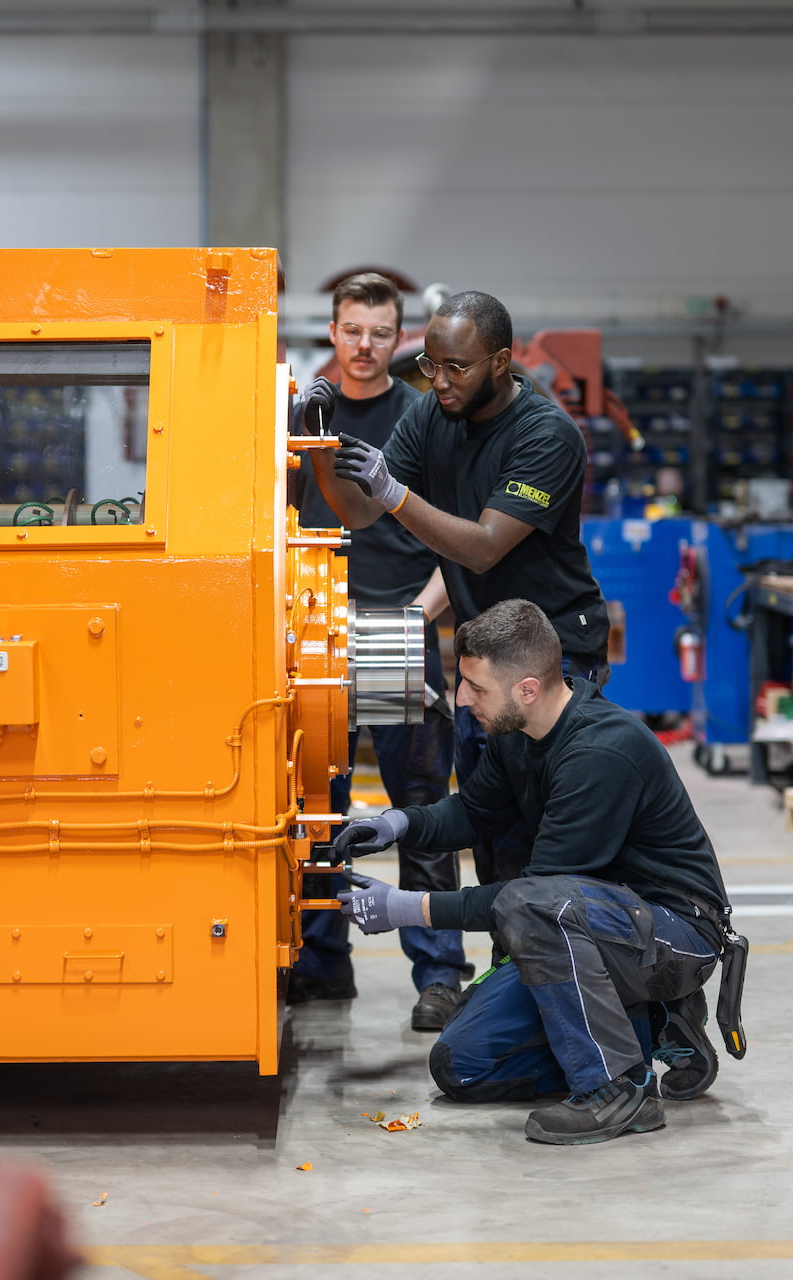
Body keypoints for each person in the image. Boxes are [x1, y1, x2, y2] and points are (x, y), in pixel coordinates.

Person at [331, 599, 737, 1146]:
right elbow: (475, 812)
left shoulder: (602, 751)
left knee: (533, 906)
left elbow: (529, 900)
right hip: (597, 927)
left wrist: (408, 908)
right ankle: (657, 1025)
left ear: (526, 688)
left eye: (475, 686)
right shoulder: (516, 732)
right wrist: (398, 824)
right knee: (462, 1066)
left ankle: (619, 1088)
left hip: (675, 932)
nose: (460, 698)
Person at [311, 289, 611, 885]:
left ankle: (551, 966)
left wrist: (393, 493)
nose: (440, 381)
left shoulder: (545, 435)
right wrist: (319, 442)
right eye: (431, 366)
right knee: (489, 826)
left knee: (548, 830)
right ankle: (506, 967)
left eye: (456, 367)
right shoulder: (431, 414)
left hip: (552, 653)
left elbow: (482, 546)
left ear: (500, 362)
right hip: (481, 653)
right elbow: (360, 511)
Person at [288, 272, 472, 1030]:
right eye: (352, 330)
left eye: (381, 333)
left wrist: (417, 619)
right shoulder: (299, 421)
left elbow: (460, 541)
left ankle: (438, 973)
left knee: (419, 809)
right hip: (315, 638)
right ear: (332, 332)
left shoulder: (426, 420)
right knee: (316, 810)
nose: (365, 346)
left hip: (399, 631)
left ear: (401, 339)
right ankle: (323, 962)